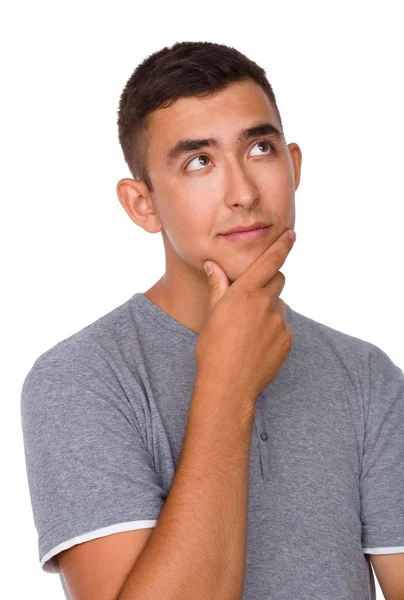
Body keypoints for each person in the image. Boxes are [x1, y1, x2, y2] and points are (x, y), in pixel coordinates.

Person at [20, 41, 404, 600]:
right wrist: (228, 386)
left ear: (294, 167)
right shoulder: (79, 380)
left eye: (260, 148)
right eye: (199, 161)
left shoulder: (366, 376)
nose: (244, 193)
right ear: (141, 205)